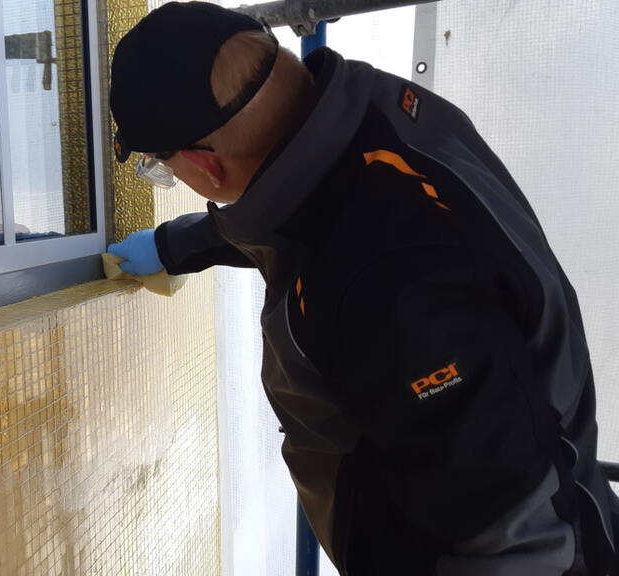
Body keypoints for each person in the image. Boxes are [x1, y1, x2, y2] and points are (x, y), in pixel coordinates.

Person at [106, 2, 619, 574]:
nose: (171, 176)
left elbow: (519, 546)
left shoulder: (391, 292)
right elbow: (303, 208)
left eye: (162, 166)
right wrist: (174, 247)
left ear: (205, 165)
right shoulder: (368, 115)